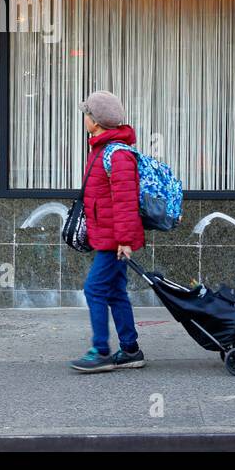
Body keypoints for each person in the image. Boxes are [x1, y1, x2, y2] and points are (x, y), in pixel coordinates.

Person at [70, 90, 147, 373]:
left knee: (94, 289)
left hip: (115, 240)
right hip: (107, 237)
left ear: (96, 121)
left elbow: (125, 202)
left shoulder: (117, 154)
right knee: (115, 292)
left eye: (86, 115)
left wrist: (125, 241)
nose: (84, 119)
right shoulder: (101, 150)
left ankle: (100, 350)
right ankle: (130, 350)